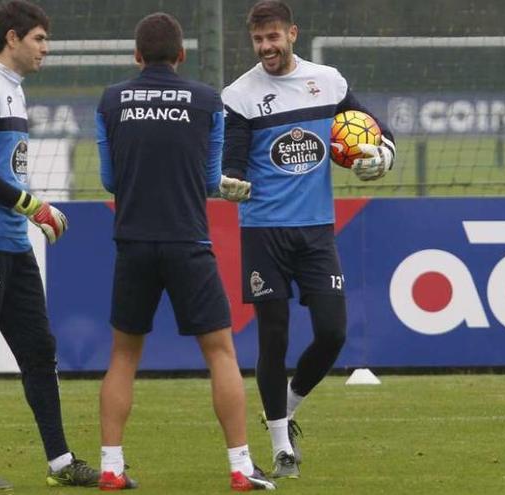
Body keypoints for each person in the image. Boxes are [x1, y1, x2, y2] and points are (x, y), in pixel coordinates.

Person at [95, 12, 275, 492]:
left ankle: (111, 467)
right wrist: (220, 186)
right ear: (181, 56)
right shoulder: (206, 100)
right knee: (220, 352)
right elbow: (207, 179)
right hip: (187, 241)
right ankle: (240, 467)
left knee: (123, 355)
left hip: (132, 241)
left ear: (136, 56)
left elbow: (110, 180)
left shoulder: (111, 100)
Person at [221, 0, 396, 479]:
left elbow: (378, 133)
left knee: (333, 331)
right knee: (273, 337)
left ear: (292, 34)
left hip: (317, 232)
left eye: (273, 37)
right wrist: (230, 181)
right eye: (258, 40)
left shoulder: (329, 81)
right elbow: (232, 161)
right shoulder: (239, 95)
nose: (266, 48)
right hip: (263, 233)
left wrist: (380, 156)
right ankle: (281, 447)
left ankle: (289, 406)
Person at [0, 0, 97, 490]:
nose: (45, 49)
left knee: (38, 349)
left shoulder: (13, 91)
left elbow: (1, 168)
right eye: (39, 39)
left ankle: (60, 462)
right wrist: (34, 206)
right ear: (12, 38)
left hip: (10, 242)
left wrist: (27, 211)